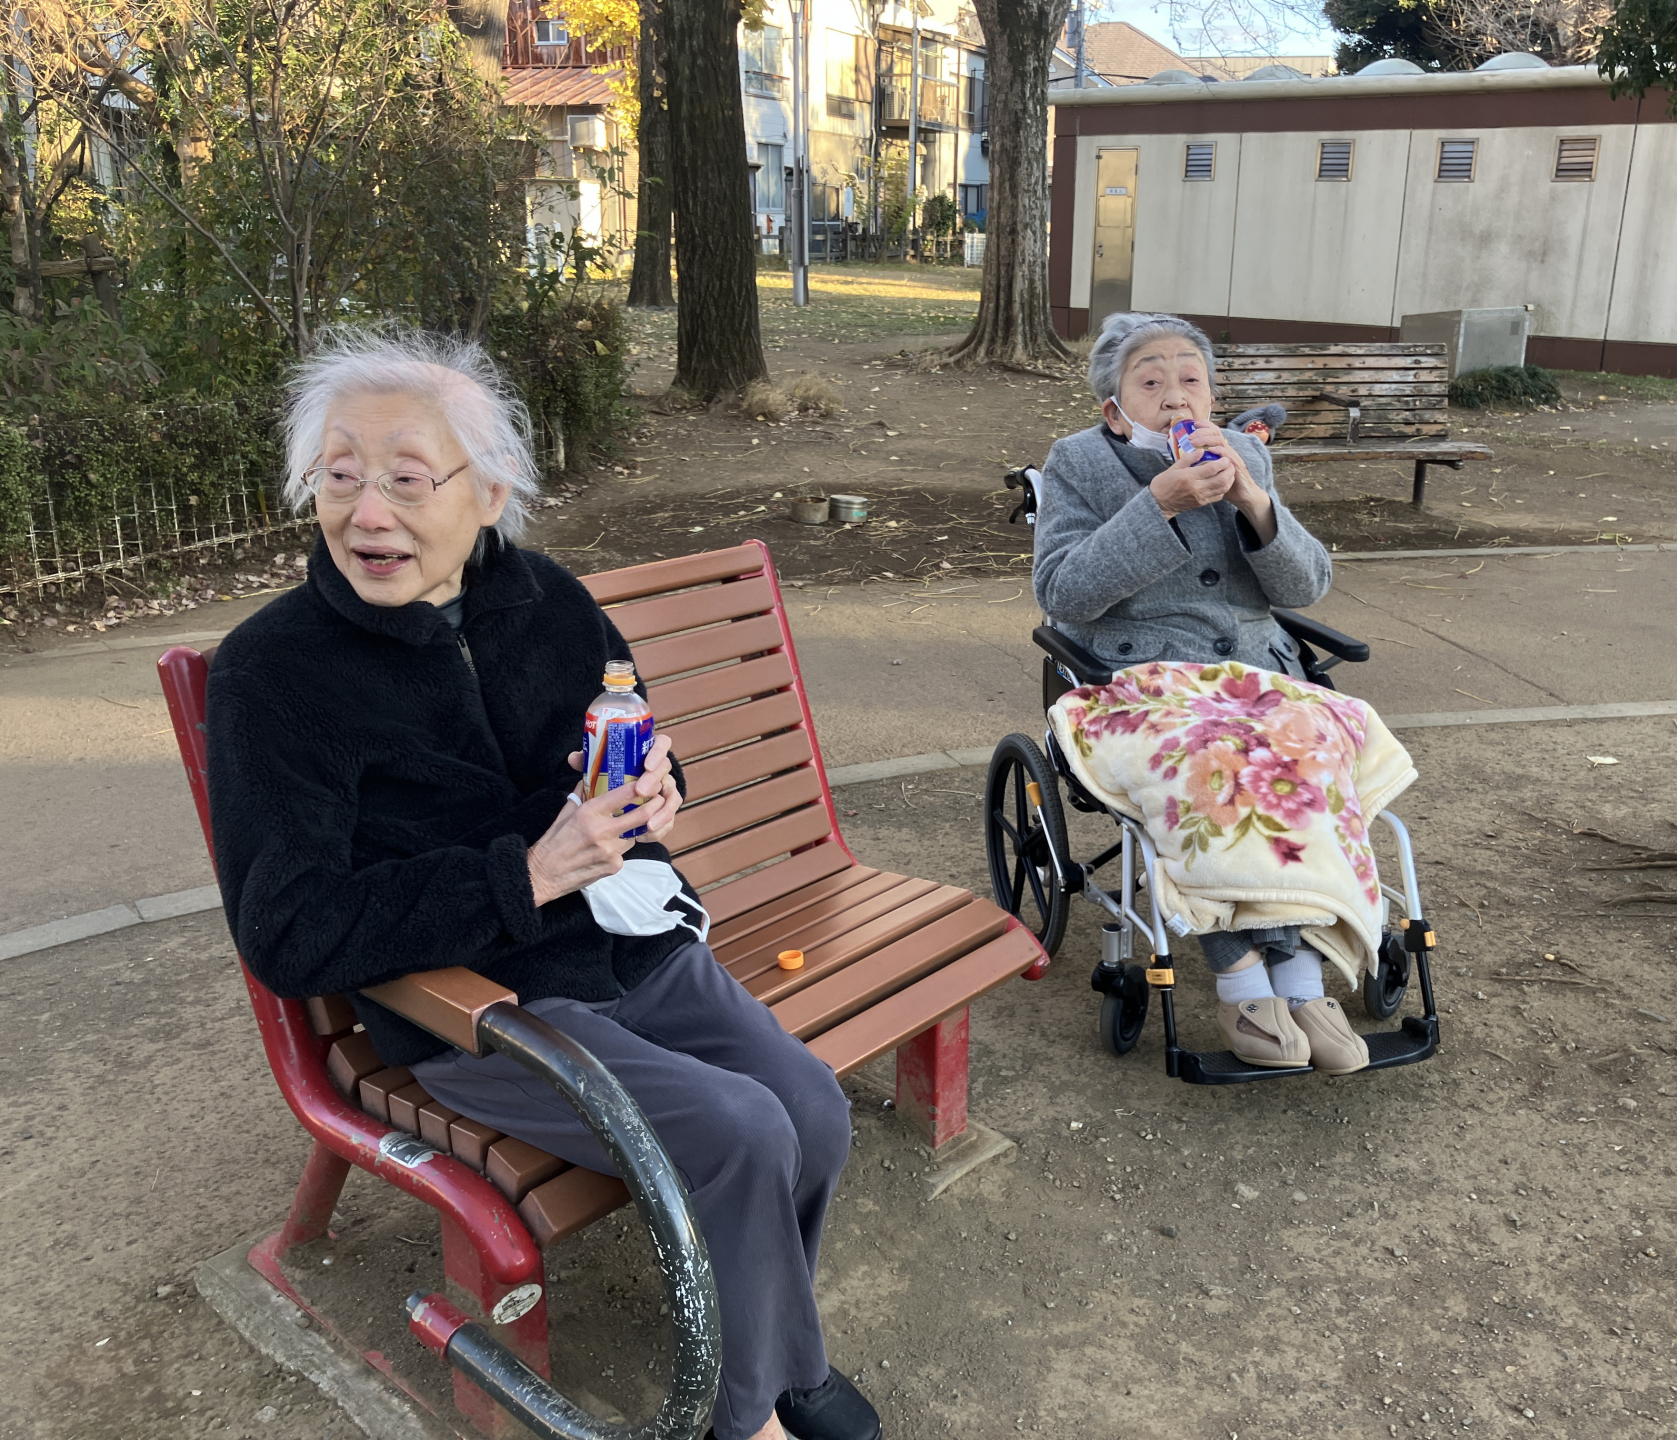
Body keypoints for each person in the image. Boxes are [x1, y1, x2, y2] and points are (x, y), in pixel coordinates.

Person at [206, 327, 880, 1440]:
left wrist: (658, 785)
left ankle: (779, 1356)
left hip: (628, 941)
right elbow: (286, 929)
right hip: (477, 1004)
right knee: (741, 1131)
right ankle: (750, 1414)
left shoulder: (551, 603)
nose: (366, 513)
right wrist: (520, 875)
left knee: (809, 1105)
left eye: (407, 480)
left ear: (489, 494)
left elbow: (629, 742)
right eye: (339, 476)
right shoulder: (275, 674)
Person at [1032, 311, 1368, 1076]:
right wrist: (1158, 505)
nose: (1175, 395)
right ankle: (1245, 981)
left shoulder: (1247, 453)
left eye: (1191, 379)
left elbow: (1307, 585)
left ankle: (1302, 981)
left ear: (1213, 399)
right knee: (1217, 765)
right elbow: (1061, 591)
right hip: (1138, 680)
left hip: (1256, 673)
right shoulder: (1078, 461)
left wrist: (1253, 499)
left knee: (1311, 752)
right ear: (1115, 408)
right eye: (1151, 381)